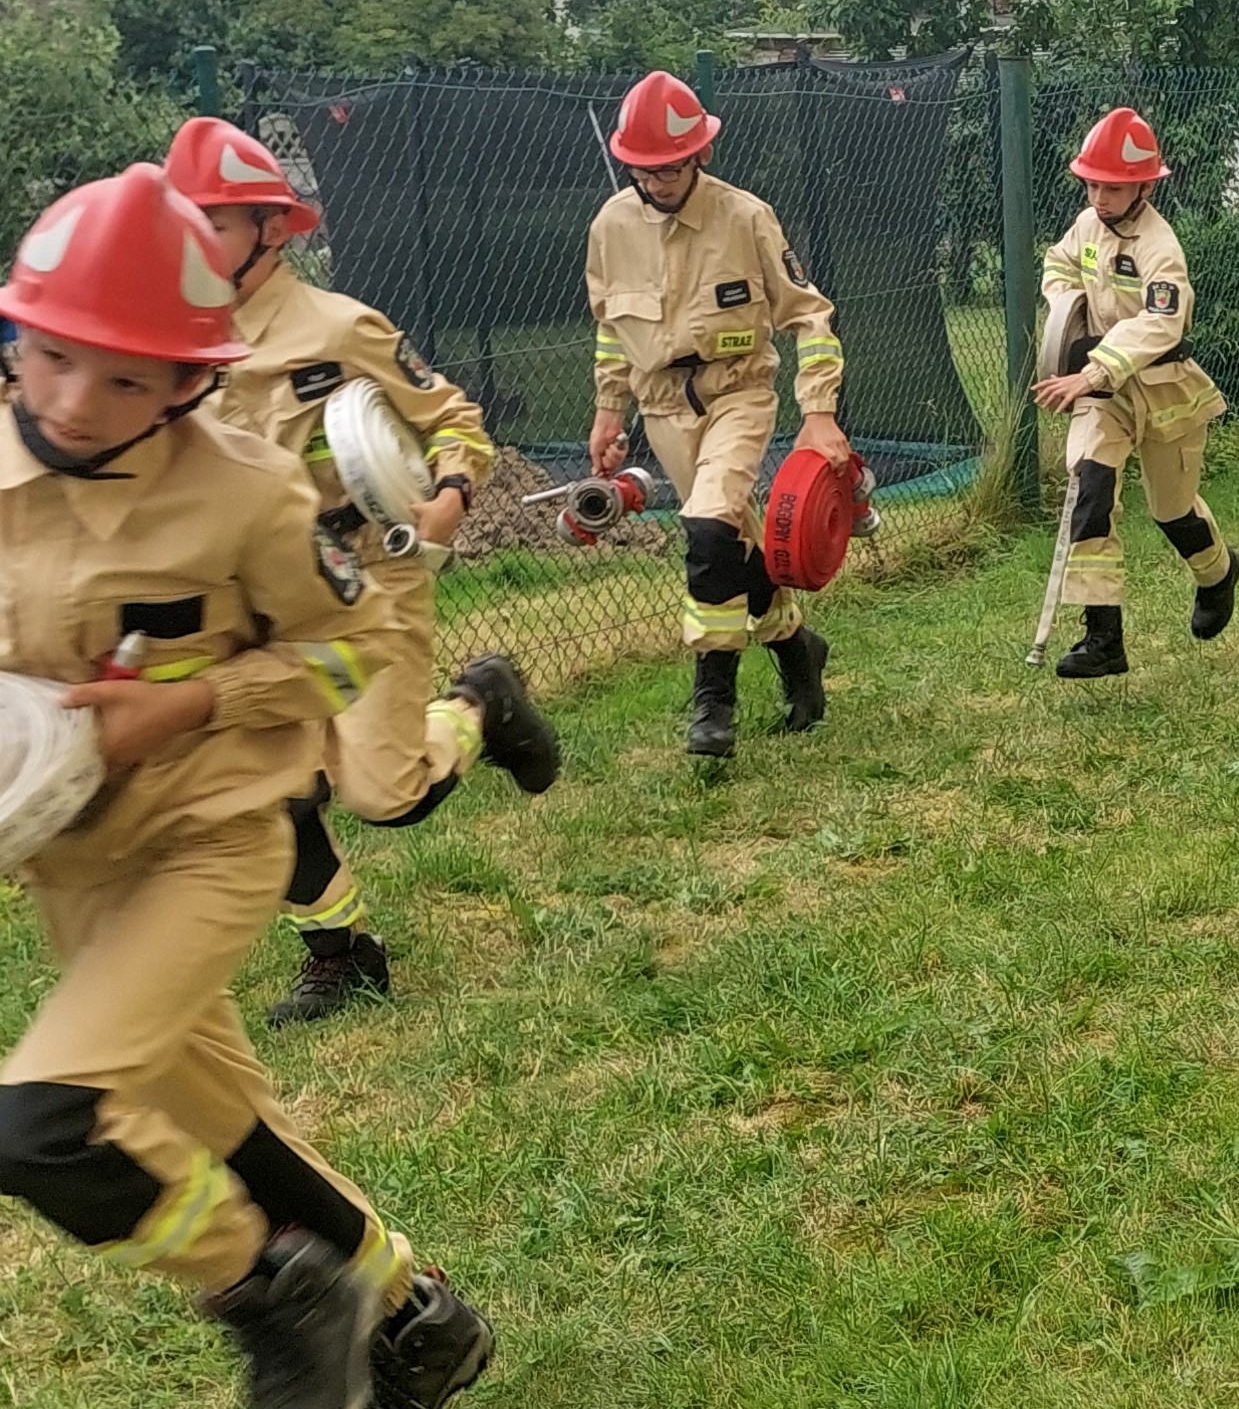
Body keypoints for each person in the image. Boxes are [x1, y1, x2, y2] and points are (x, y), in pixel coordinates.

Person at [0, 166, 492, 1409]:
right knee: (224, 1128)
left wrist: (197, 699)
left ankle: (263, 1296)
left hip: (210, 833)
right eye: (47, 358)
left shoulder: (244, 494)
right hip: (72, 866)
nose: (70, 402)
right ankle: (419, 1316)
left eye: (121, 378)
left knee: (43, 1121)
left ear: (186, 380)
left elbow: (353, 647)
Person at [165, 120, 561, 1025]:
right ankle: (345, 958)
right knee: (260, 786)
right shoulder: (170, 340)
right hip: (250, 602)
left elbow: (455, 417)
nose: (188, 239)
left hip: (364, 581)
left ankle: (482, 703)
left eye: (211, 221)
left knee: (388, 796)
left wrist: (450, 495)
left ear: (270, 228)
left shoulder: (338, 328)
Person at [584, 70, 851, 761]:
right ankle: (799, 652)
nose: (659, 179)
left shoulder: (746, 217)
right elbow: (610, 328)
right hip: (661, 406)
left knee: (704, 528)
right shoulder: (611, 226)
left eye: (670, 165)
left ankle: (714, 704)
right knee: (731, 544)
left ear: (700, 153)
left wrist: (818, 413)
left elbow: (810, 314)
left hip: (738, 393)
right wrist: (609, 411)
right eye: (644, 168)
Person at [1032, 108, 1239, 679]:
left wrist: (1093, 368)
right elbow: (1058, 264)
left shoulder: (1160, 247)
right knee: (1089, 489)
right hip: (1105, 397)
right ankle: (1103, 638)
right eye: (1093, 183)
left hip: (1165, 391)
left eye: (1113, 186)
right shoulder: (1086, 226)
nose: (1100, 196)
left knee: (1171, 511)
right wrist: (1066, 306)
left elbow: (1160, 325)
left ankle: (1219, 574)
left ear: (1144, 186)